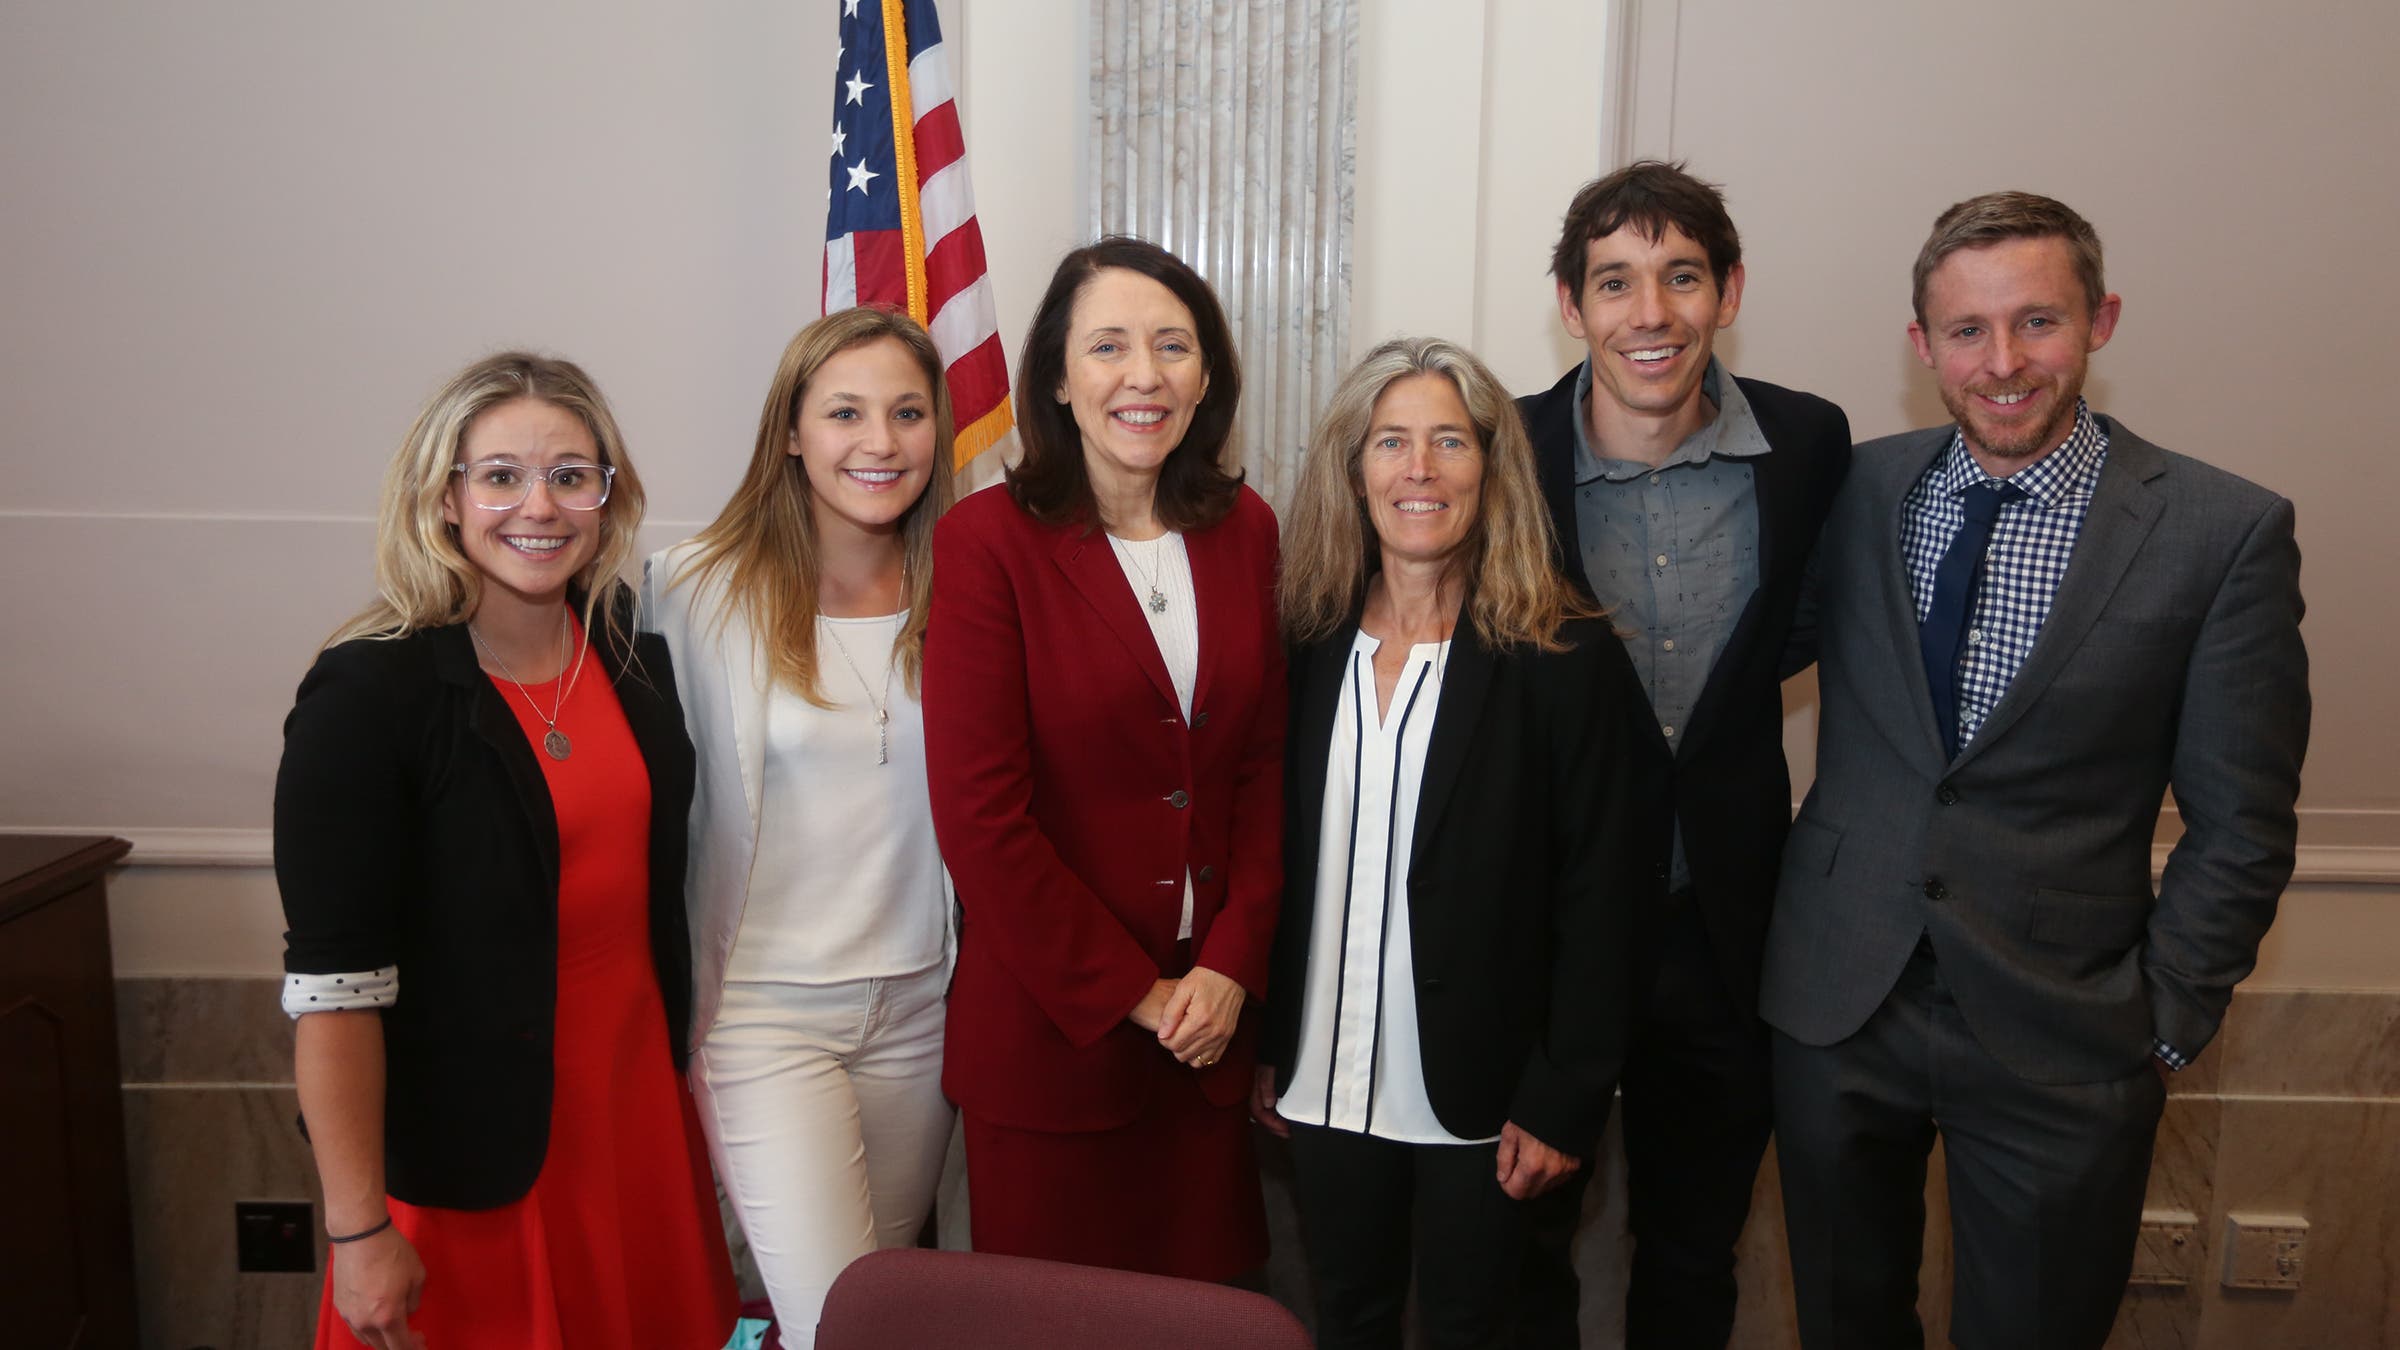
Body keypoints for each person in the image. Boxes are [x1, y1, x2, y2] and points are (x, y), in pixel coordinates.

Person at [1760, 192, 2309, 1348]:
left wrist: (2164, 1023)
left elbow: (2242, 821)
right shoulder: (1853, 492)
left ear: (2101, 319)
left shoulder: (2221, 532)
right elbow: (1729, 661)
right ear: (1922, 345)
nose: (2002, 363)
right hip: (1838, 1003)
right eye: (1967, 331)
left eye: (2038, 322)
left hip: (2069, 1033)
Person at [275, 353, 737, 1350]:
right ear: (445, 498)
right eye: (501, 475)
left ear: (610, 501)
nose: (541, 505)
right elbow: (334, 993)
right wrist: (359, 1231)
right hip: (471, 1160)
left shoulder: (631, 655)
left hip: (632, 1127)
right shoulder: (368, 697)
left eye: (573, 475)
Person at [1255, 336, 1660, 1349]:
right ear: (1354, 472)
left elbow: (1610, 889)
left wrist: (1568, 1094)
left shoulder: (1564, 654)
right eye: (1391, 442)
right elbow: (1274, 860)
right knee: (1346, 1316)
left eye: (1449, 442)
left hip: (1487, 1096)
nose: (1419, 470)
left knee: (1492, 1329)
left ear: (1493, 468)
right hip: (1324, 1079)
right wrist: (1269, 1044)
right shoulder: (1301, 641)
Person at [1515, 158, 1852, 1349]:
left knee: (1693, 1254)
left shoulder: (1810, 447)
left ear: (1729, 290)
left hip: (1722, 932)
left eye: (1681, 277)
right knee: (1517, 1255)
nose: (1649, 314)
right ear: (1571, 304)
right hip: (1537, 938)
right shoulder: (1500, 457)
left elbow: (1813, 632)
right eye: (1615, 282)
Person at [922, 235, 1286, 1280]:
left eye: (1173, 346)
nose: (1144, 375)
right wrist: (1138, 992)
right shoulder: (987, 543)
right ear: (1058, 378)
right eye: (1110, 346)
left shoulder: (1248, 531)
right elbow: (982, 821)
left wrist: (1227, 964)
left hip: (1207, 1048)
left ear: (1206, 375)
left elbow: (1263, 773)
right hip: (1054, 1047)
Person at [642, 307, 958, 1340]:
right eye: (847, 413)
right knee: (840, 1324)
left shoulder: (967, 588)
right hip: (764, 1014)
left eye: (908, 413)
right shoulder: (694, 590)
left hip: (922, 1008)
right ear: (791, 431)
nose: (881, 442)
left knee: (887, 1305)